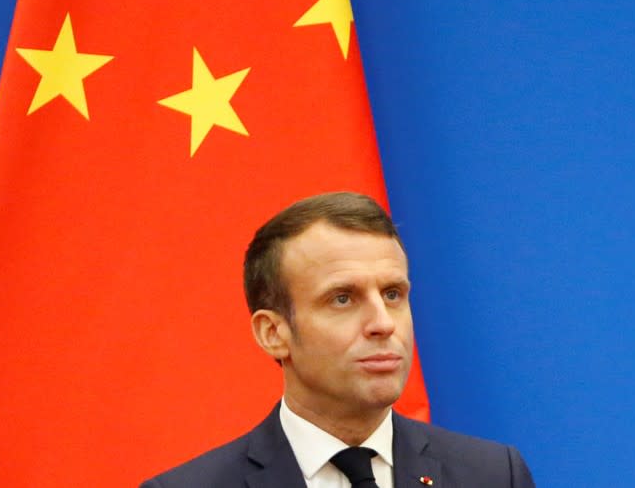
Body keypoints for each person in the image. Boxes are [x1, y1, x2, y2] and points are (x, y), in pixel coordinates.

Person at [141, 192, 534, 488]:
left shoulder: (495, 474)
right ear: (273, 333)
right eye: (342, 299)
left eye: (393, 294)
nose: (383, 324)